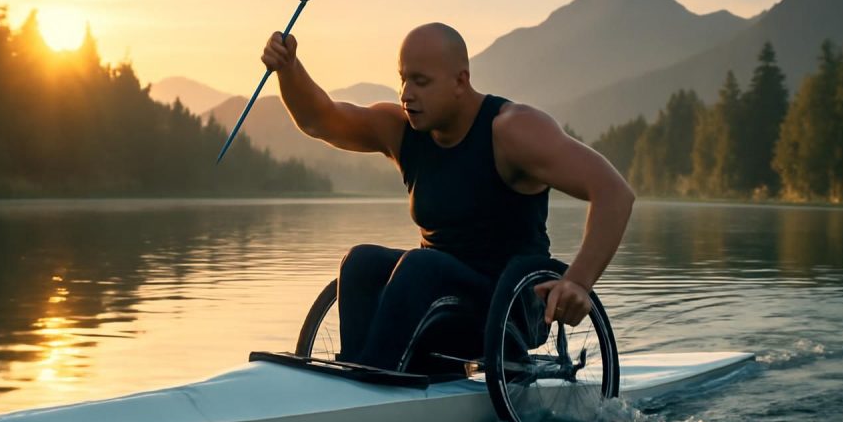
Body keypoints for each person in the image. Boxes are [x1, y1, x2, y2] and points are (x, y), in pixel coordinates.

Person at [261, 22, 634, 371]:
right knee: (360, 262)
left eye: (421, 82)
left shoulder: (512, 130)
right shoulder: (403, 131)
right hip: (435, 298)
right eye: (403, 80)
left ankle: (373, 379)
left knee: (421, 266)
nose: (407, 94)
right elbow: (321, 119)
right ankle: (361, 373)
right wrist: (289, 69)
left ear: (461, 81)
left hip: (508, 312)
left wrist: (579, 282)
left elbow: (614, 193)